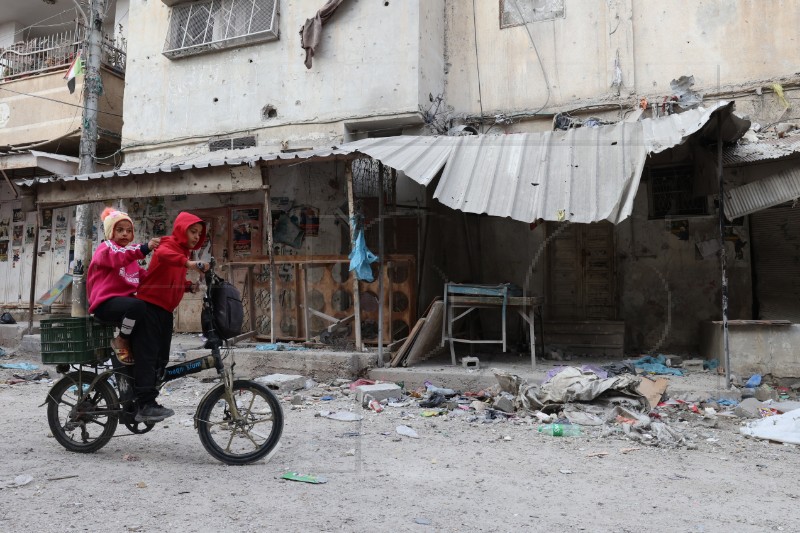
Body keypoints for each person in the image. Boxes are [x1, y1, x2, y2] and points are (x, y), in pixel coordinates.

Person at [133, 212, 208, 423]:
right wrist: (190, 265)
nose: (196, 236)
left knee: (161, 359)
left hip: (164, 311)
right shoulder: (167, 244)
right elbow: (166, 257)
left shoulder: (183, 252)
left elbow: (170, 278)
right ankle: (145, 405)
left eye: (199, 233)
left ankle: (145, 396)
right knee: (148, 356)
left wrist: (189, 286)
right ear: (181, 229)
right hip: (148, 307)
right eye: (192, 231)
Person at [86, 208, 159, 365]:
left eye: (128, 230)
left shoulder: (131, 260)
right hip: (104, 304)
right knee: (138, 306)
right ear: (111, 232)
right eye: (119, 230)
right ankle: (121, 339)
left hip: (123, 306)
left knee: (147, 310)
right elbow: (120, 256)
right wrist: (145, 248)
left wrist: (183, 285)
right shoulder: (106, 248)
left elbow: (148, 280)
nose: (125, 234)